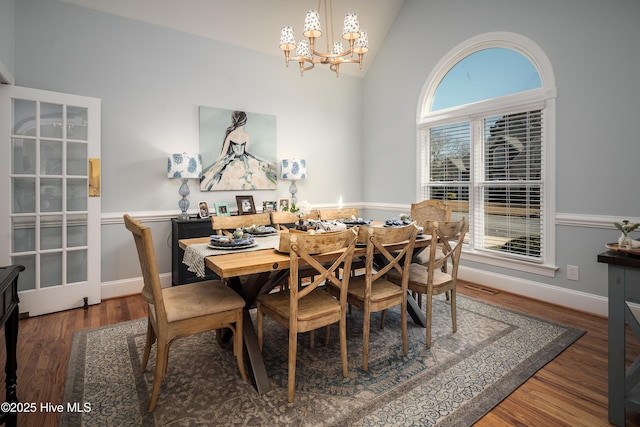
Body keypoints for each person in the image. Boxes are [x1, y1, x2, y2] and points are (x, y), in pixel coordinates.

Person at [200, 111, 277, 191]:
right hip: (244, 160)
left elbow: (223, 154)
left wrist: (215, 166)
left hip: (232, 160)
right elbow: (245, 151)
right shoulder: (246, 135)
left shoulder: (231, 134)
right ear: (244, 121)